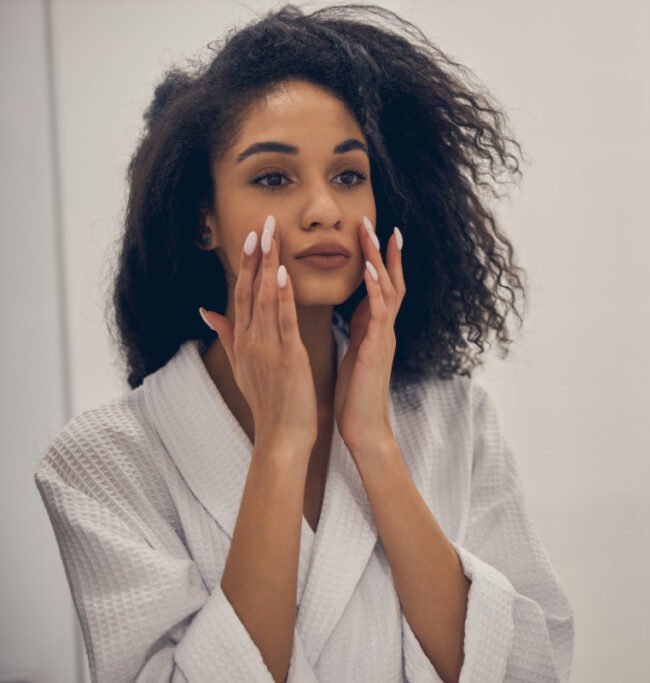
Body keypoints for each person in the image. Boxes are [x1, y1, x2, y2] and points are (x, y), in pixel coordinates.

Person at [33, 4, 574, 682]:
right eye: (274, 178)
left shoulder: (457, 419)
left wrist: (374, 443)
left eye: (349, 175)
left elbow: (533, 668)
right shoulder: (100, 463)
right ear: (204, 218)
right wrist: (281, 447)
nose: (324, 208)